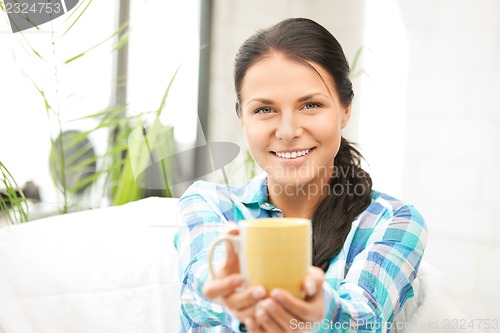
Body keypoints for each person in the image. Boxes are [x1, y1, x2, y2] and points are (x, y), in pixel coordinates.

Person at [174, 18, 427, 333]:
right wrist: (231, 297)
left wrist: (317, 313)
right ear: (242, 118)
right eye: (264, 110)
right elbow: (202, 286)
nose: (288, 131)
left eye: (310, 105)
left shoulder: (392, 221)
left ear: (345, 109)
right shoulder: (211, 205)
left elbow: (364, 319)